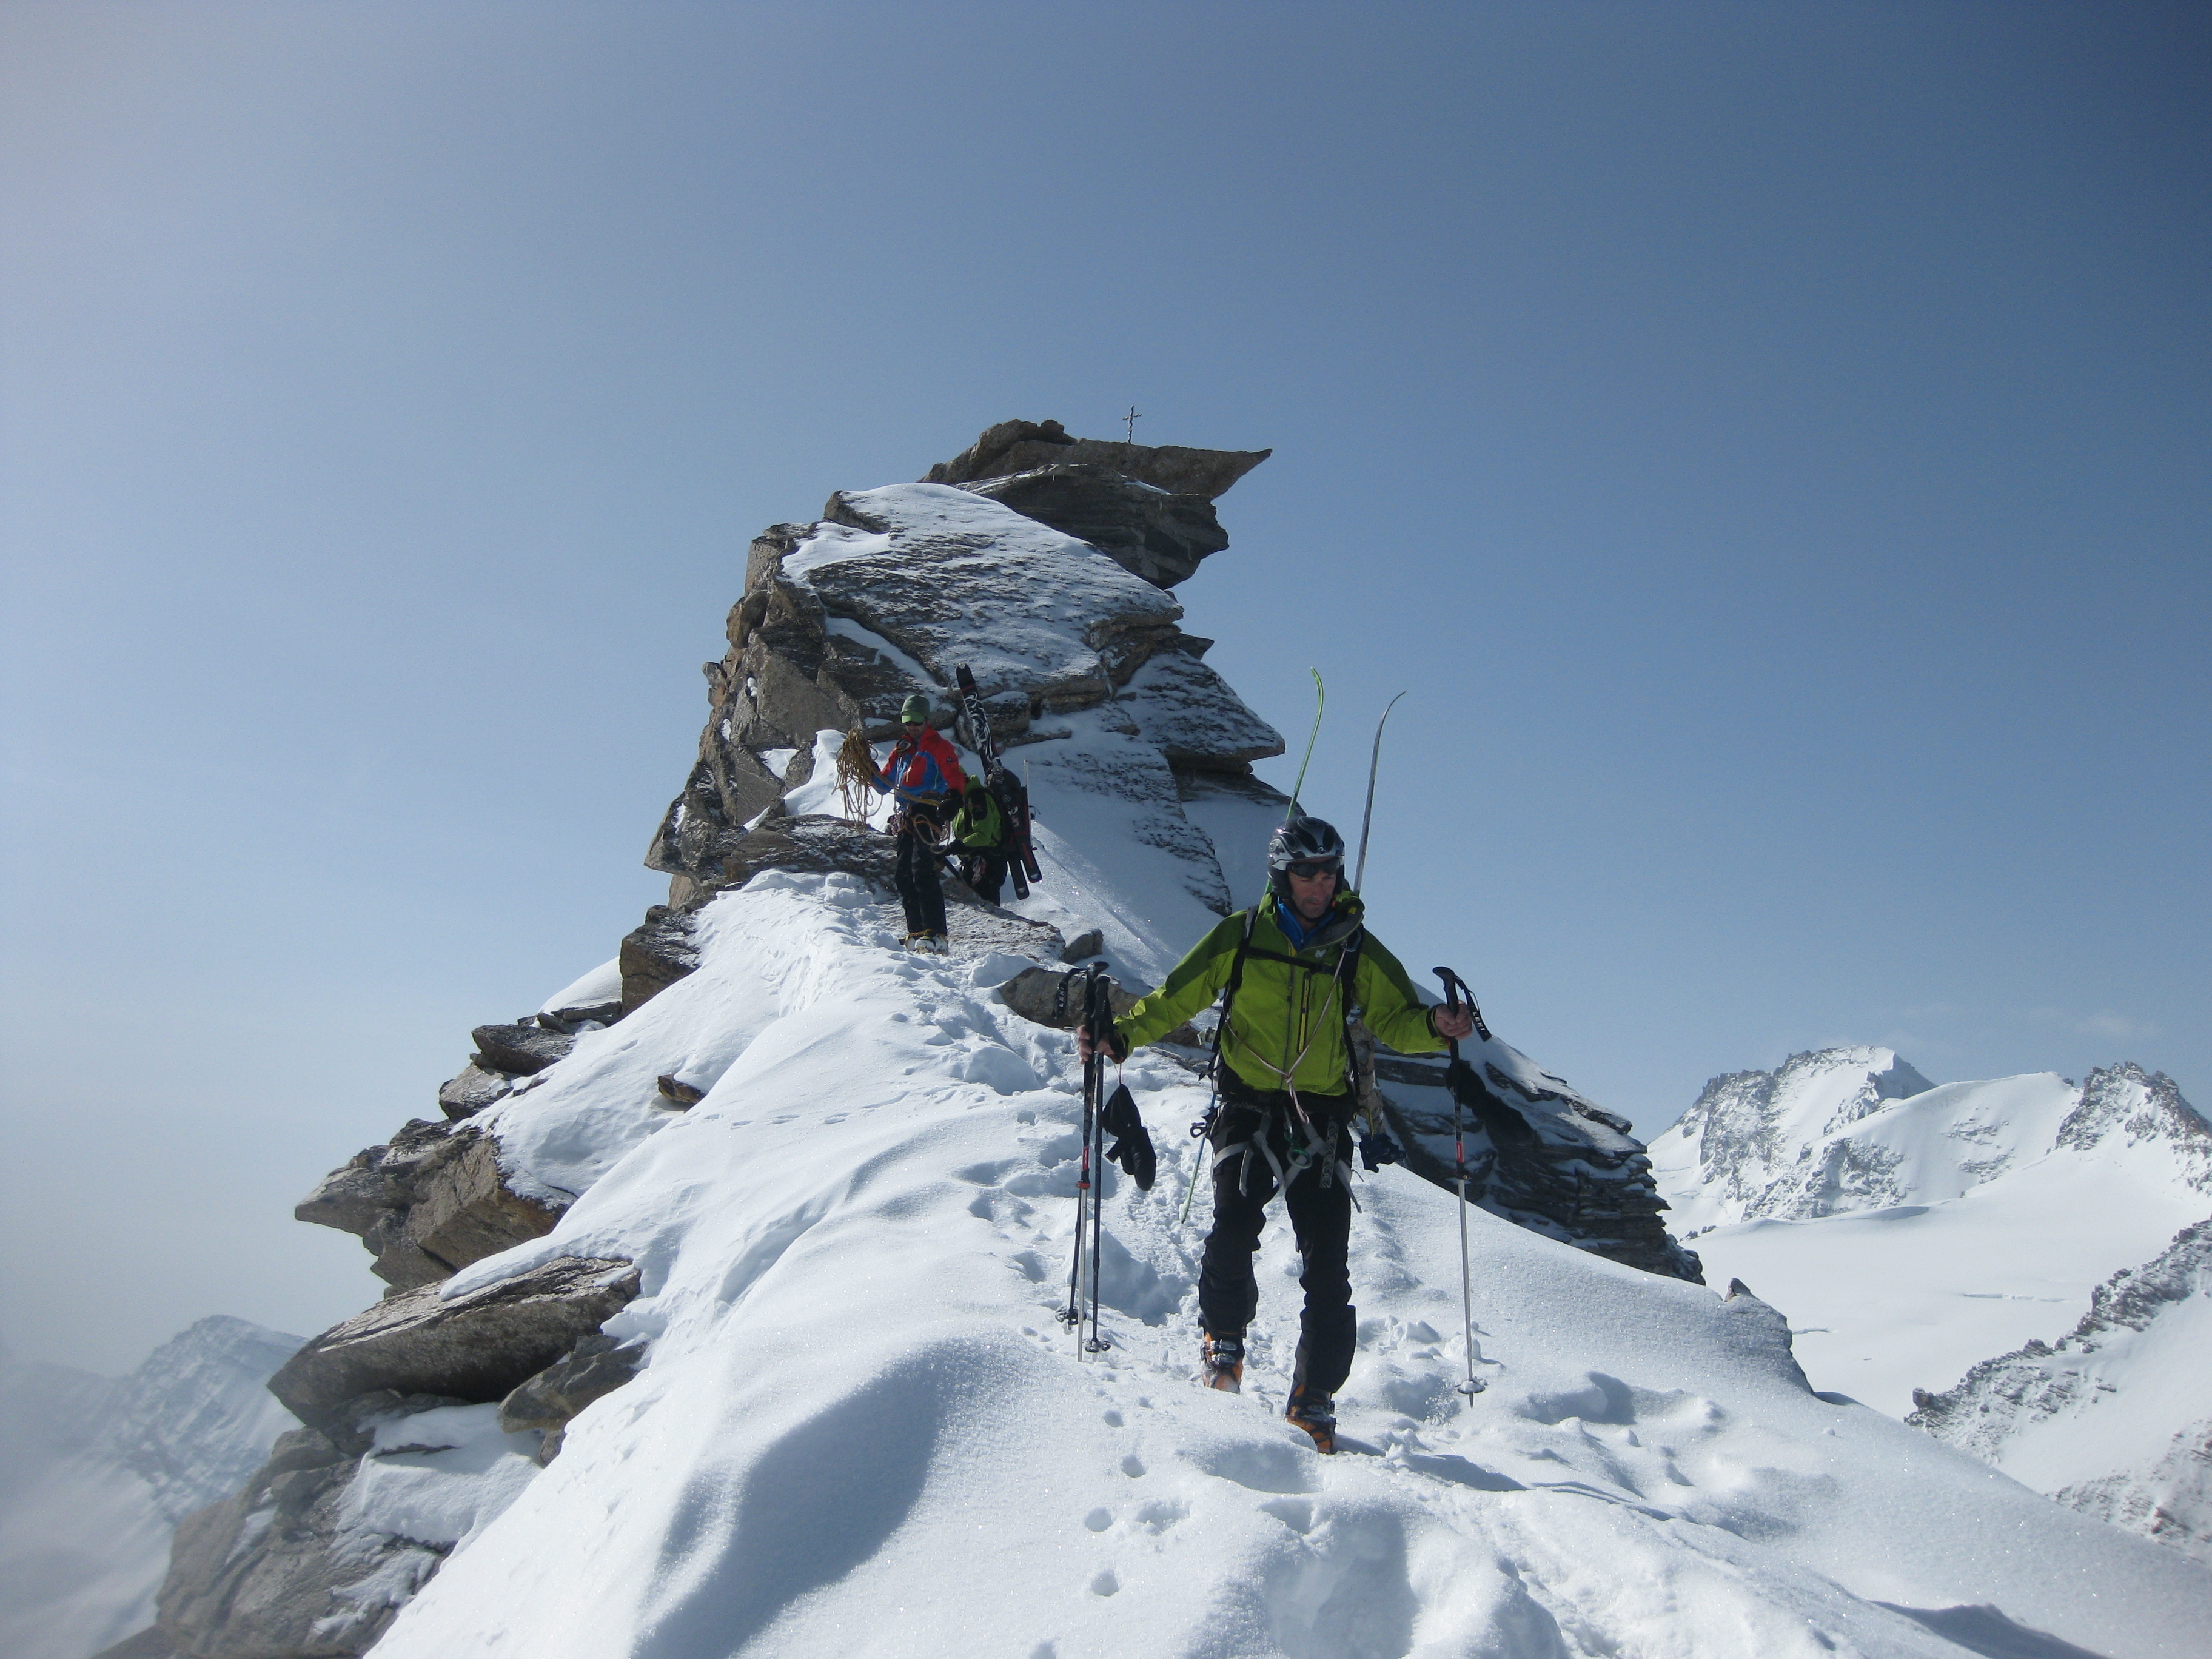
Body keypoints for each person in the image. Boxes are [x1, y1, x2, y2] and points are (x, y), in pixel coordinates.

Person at [1078, 814, 1476, 1453]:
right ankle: (1224, 1346)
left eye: (1328, 872)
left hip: (1319, 1116)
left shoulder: (1355, 948)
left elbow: (1397, 1018)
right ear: (1281, 875)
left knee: (1328, 1264)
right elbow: (1180, 995)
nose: (1318, 885)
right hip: (1245, 1104)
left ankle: (1313, 1396)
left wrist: (1438, 1024)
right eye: (1305, 872)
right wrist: (1121, 1034)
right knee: (1234, 1226)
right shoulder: (1243, 936)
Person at [870, 693, 967, 953]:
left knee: (923, 871)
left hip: (928, 812)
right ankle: (916, 931)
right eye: (907, 721)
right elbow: (883, 784)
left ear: (926, 720)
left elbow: (955, 776)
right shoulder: (901, 750)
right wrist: (867, 768)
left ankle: (936, 934)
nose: (911, 726)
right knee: (904, 874)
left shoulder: (939, 747)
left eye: (916, 720)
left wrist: (954, 797)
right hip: (906, 815)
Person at [948, 774, 1013, 907]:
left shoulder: (978, 799)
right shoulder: (964, 800)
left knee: (988, 909)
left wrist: (954, 848)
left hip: (988, 866)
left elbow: (982, 837)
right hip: (975, 864)